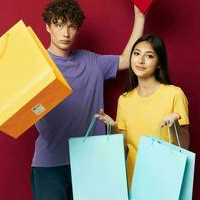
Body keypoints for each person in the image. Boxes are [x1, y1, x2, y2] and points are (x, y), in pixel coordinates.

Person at [31, 0, 146, 199]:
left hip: (92, 160)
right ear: (47, 27)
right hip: (50, 164)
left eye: (71, 26)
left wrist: (140, 17)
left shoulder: (91, 61)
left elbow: (128, 59)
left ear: (77, 30)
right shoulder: (36, 67)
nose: (65, 33)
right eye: (59, 25)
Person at [96, 34, 190, 189]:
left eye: (149, 56)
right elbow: (124, 147)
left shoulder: (174, 94)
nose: (140, 61)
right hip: (133, 180)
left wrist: (174, 124)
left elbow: (184, 146)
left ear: (159, 63)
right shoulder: (124, 99)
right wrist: (113, 128)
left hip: (165, 180)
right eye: (136, 53)